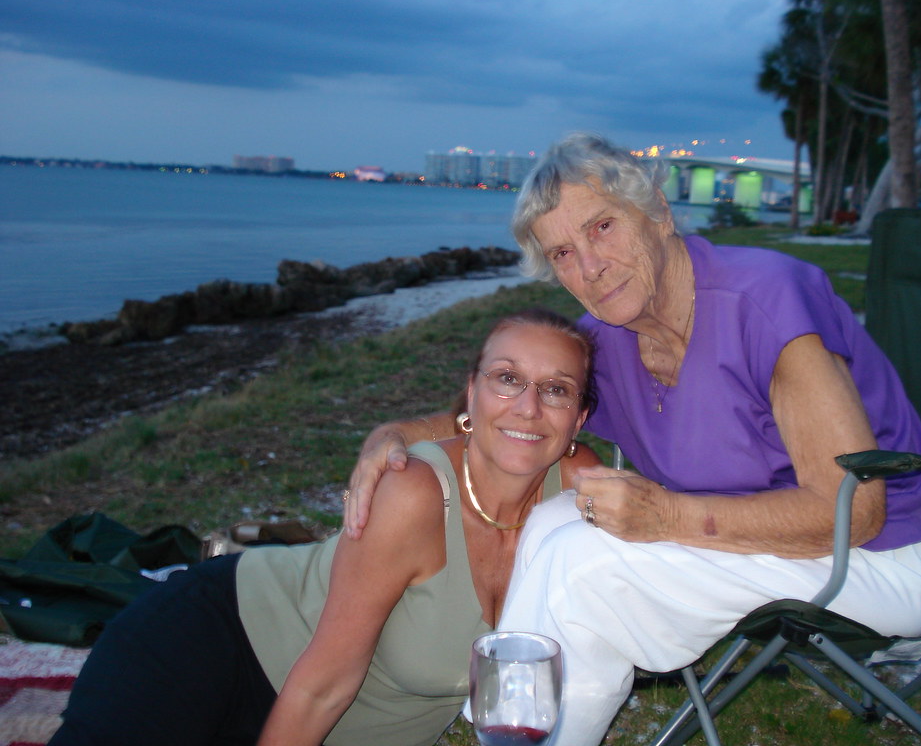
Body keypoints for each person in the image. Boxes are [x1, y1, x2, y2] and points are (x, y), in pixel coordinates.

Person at [345, 133, 921, 744]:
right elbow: (513, 409)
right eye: (563, 253)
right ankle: (534, 726)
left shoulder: (766, 301)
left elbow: (855, 511)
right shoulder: (608, 341)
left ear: (658, 211)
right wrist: (396, 433)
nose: (590, 266)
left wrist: (667, 516)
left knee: (582, 563)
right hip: (762, 548)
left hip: (880, 561)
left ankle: (521, 730)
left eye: (603, 227)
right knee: (552, 523)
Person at [49, 308, 600, 746]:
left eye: (556, 389)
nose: (528, 407)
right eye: (507, 379)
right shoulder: (415, 493)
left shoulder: (581, 491)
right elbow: (323, 686)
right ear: (472, 393)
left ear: (578, 418)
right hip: (220, 640)